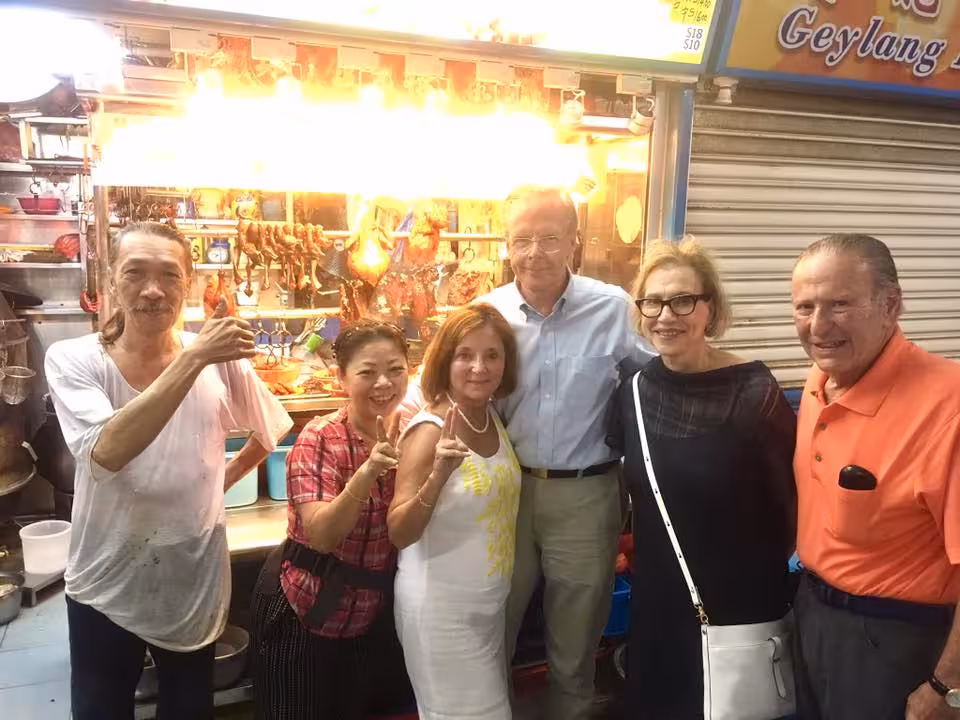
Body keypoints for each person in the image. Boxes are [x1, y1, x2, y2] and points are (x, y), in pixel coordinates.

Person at [43, 221, 292, 720]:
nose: (153, 291)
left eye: (170, 277)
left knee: (188, 709)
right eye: (135, 273)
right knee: (101, 710)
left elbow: (271, 431)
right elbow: (106, 451)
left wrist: (218, 485)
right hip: (106, 578)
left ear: (189, 283)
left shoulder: (219, 362)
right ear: (112, 280)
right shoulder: (74, 359)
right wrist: (194, 356)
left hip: (190, 576)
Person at [478, 185, 655, 720]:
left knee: (575, 644)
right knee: (492, 630)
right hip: (504, 497)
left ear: (574, 243)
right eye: (522, 240)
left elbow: (658, 382)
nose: (535, 253)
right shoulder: (487, 314)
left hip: (588, 494)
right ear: (507, 246)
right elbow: (450, 388)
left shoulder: (613, 308)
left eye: (549, 239)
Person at [609, 238, 797, 718]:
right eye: (653, 301)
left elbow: (791, 500)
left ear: (709, 309)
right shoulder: (632, 390)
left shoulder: (754, 390)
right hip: (660, 595)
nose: (665, 315)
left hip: (740, 597)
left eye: (682, 300)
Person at [790, 234, 960, 720]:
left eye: (840, 304)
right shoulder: (821, 380)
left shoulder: (948, 407)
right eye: (805, 307)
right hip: (813, 613)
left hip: (895, 639)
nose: (819, 326)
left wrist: (947, 686)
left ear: (892, 304)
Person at [251, 320, 414, 720]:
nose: (383, 383)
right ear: (341, 378)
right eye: (367, 372)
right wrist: (367, 472)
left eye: (395, 370)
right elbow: (321, 534)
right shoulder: (319, 439)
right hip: (303, 608)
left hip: (370, 615)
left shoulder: (413, 433)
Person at [388, 303, 521, 720]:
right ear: (445, 360)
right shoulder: (429, 430)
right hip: (440, 613)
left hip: (487, 610)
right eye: (465, 355)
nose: (479, 367)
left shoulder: (490, 417)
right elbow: (399, 531)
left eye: (492, 355)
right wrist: (438, 476)